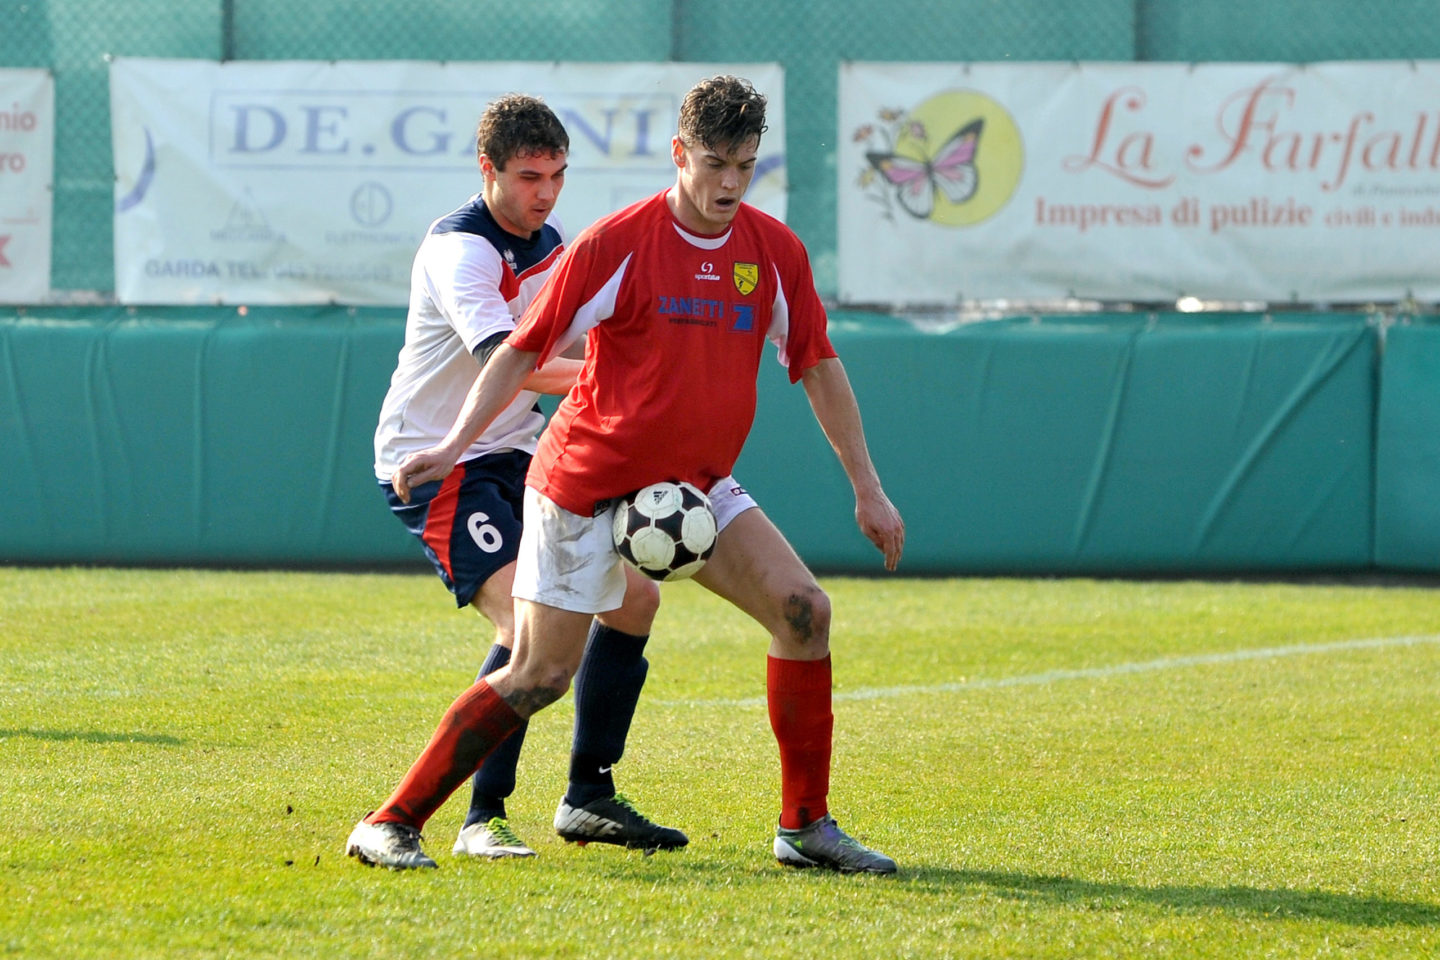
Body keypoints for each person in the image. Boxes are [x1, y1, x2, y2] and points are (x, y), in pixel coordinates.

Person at [349, 74, 905, 874]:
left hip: (693, 484)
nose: (728, 184)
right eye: (713, 163)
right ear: (679, 154)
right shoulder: (615, 243)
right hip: (582, 484)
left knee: (804, 612)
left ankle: (804, 827)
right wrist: (451, 446)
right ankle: (392, 819)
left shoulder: (773, 251)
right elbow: (519, 351)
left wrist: (869, 487)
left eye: (744, 166)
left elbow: (816, 362)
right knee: (538, 669)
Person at [350, 94, 686, 868]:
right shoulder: (460, 252)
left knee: (636, 598)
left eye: (559, 175)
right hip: (439, 461)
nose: (546, 192)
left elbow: (591, 334)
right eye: (530, 175)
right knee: (524, 630)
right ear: (488, 169)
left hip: (520, 451)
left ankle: (589, 796)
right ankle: (481, 816)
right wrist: (619, 378)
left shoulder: (553, 242)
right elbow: (514, 365)